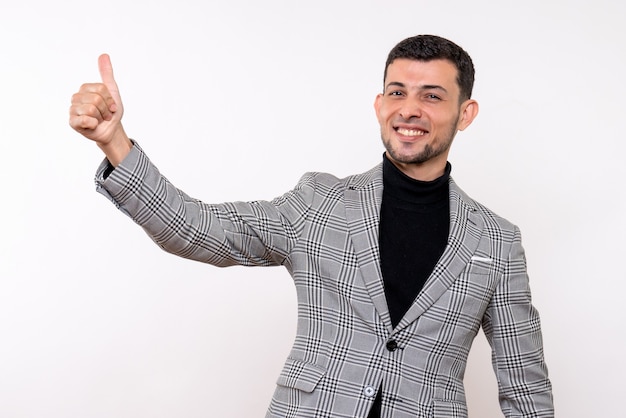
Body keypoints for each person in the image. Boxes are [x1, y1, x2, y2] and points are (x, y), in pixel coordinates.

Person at [69, 35, 554, 417]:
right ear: (379, 105)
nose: (410, 109)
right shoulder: (320, 202)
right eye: (397, 92)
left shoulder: (497, 240)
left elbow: (523, 382)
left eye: (432, 96)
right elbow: (199, 229)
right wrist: (116, 144)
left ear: (464, 114)